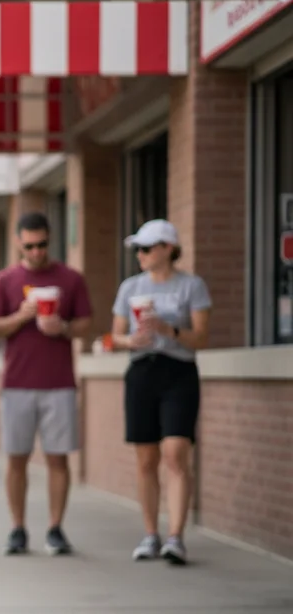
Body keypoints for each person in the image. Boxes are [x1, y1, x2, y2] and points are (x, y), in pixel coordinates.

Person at [0, 212, 92, 556]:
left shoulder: (70, 278)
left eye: (42, 244)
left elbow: (86, 323)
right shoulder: (5, 280)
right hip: (17, 383)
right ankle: (17, 528)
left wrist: (63, 327)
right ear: (18, 242)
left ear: (50, 239)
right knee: (16, 459)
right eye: (29, 246)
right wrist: (22, 315)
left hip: (59, 383)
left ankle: (55, 529)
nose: (36, 252)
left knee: (58, 459)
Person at [110, 219, 211, 566]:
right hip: (141, 371)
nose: (140, 254)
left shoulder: (191, 286)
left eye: (146, 248)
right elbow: (115, 336)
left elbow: (202, 337)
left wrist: (169, 330)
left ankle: (176, 537)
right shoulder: (130, 287)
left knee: (176, 451)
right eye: (137, 249)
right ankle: (151, 534)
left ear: (168, 248)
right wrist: (130, 340)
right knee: (146, 458)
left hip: (178, 372)